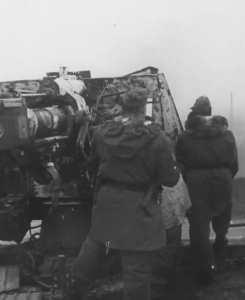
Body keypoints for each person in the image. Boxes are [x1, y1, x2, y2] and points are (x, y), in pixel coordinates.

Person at [71, 86, 180, 300]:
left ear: (121, 106)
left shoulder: (102, 133)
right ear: (144, 107)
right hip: (139, 208)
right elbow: (171, 178)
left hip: (108, 204)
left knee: (95, 247)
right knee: (136, 269)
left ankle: (72, 290)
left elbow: (92, 164)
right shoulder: (157, 139)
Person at [176, 113, 238, 285]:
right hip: (223, 178)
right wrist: (224, 176)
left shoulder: (184, 138)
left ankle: (205, 271)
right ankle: (221, 260)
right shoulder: (227, 135)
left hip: (196, 181)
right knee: (222, 222)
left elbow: (179, 162)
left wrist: (190, 178)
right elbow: (234, 164)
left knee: (199, 228)